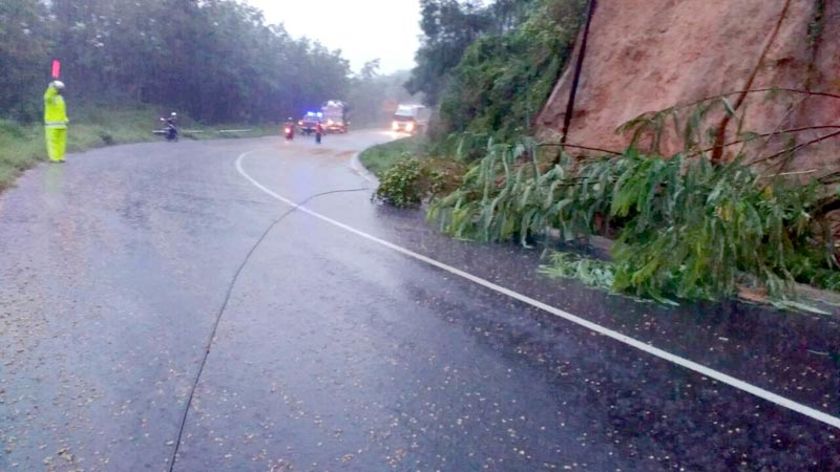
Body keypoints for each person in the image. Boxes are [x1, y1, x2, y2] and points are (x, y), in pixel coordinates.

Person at [44, 81, 69, 163]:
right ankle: (61, 157)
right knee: (61, 143)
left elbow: (47, 96)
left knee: (53, 143)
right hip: (62, 125)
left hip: (52, 126)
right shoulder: (60, 99)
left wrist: (52, 86)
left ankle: (55, 158)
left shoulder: (51, 99)